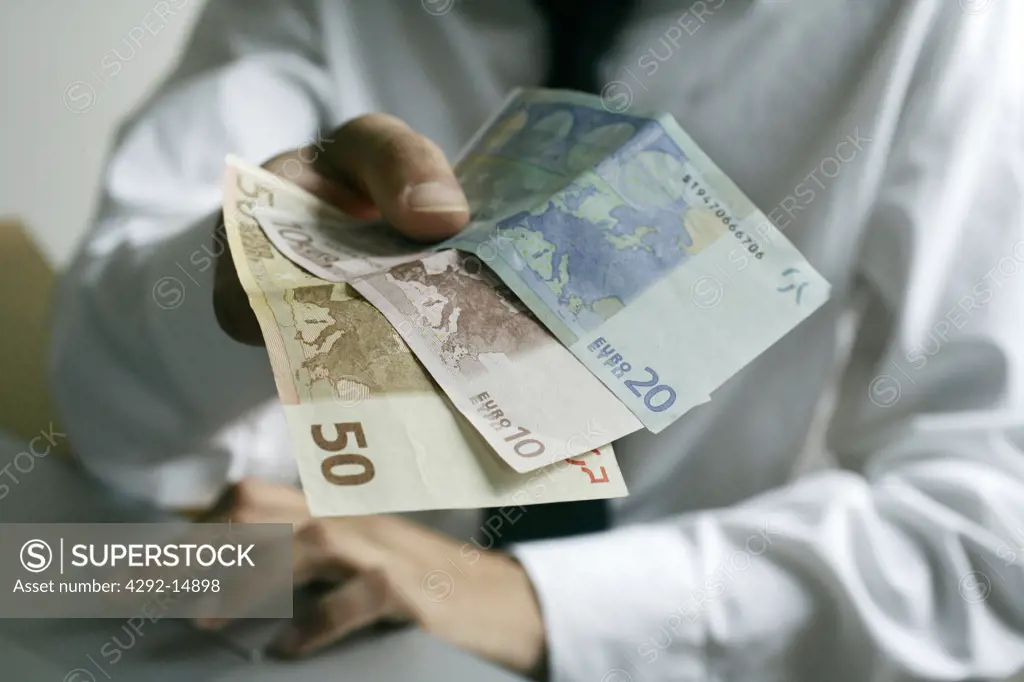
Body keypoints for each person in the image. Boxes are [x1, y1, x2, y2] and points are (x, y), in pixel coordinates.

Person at [51, 0, 1024, 680]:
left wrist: (537, 600)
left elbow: (993, 537)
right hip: (328, 628)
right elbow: (104, 408)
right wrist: (236, 293)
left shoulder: (941, 25)